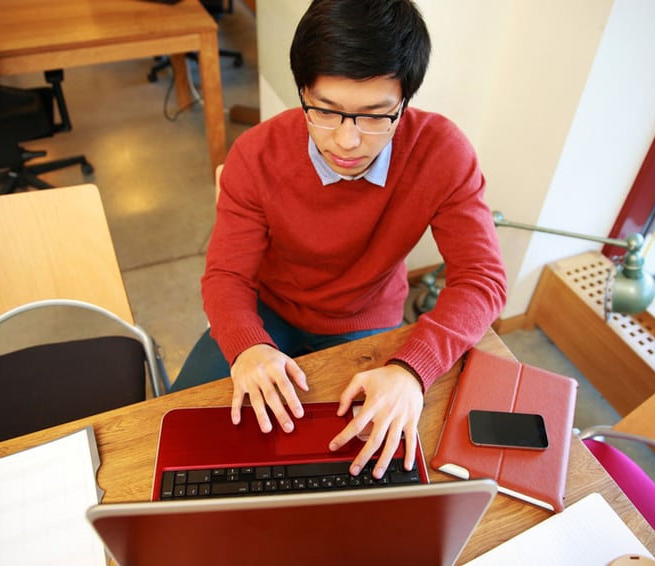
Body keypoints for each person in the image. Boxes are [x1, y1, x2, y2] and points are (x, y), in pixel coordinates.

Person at [171, 0, 507, 480]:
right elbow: (226, 275)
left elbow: (482, 279)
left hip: (365, 315)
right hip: (272, 307)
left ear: (404, 101)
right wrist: (248, 347)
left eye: (375, 116)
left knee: (372, 461)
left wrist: (412, 370)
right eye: (325, 111)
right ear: (303, 91)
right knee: (187, 427)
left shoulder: (442, 152)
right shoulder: (256, 155)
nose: (348, 142)